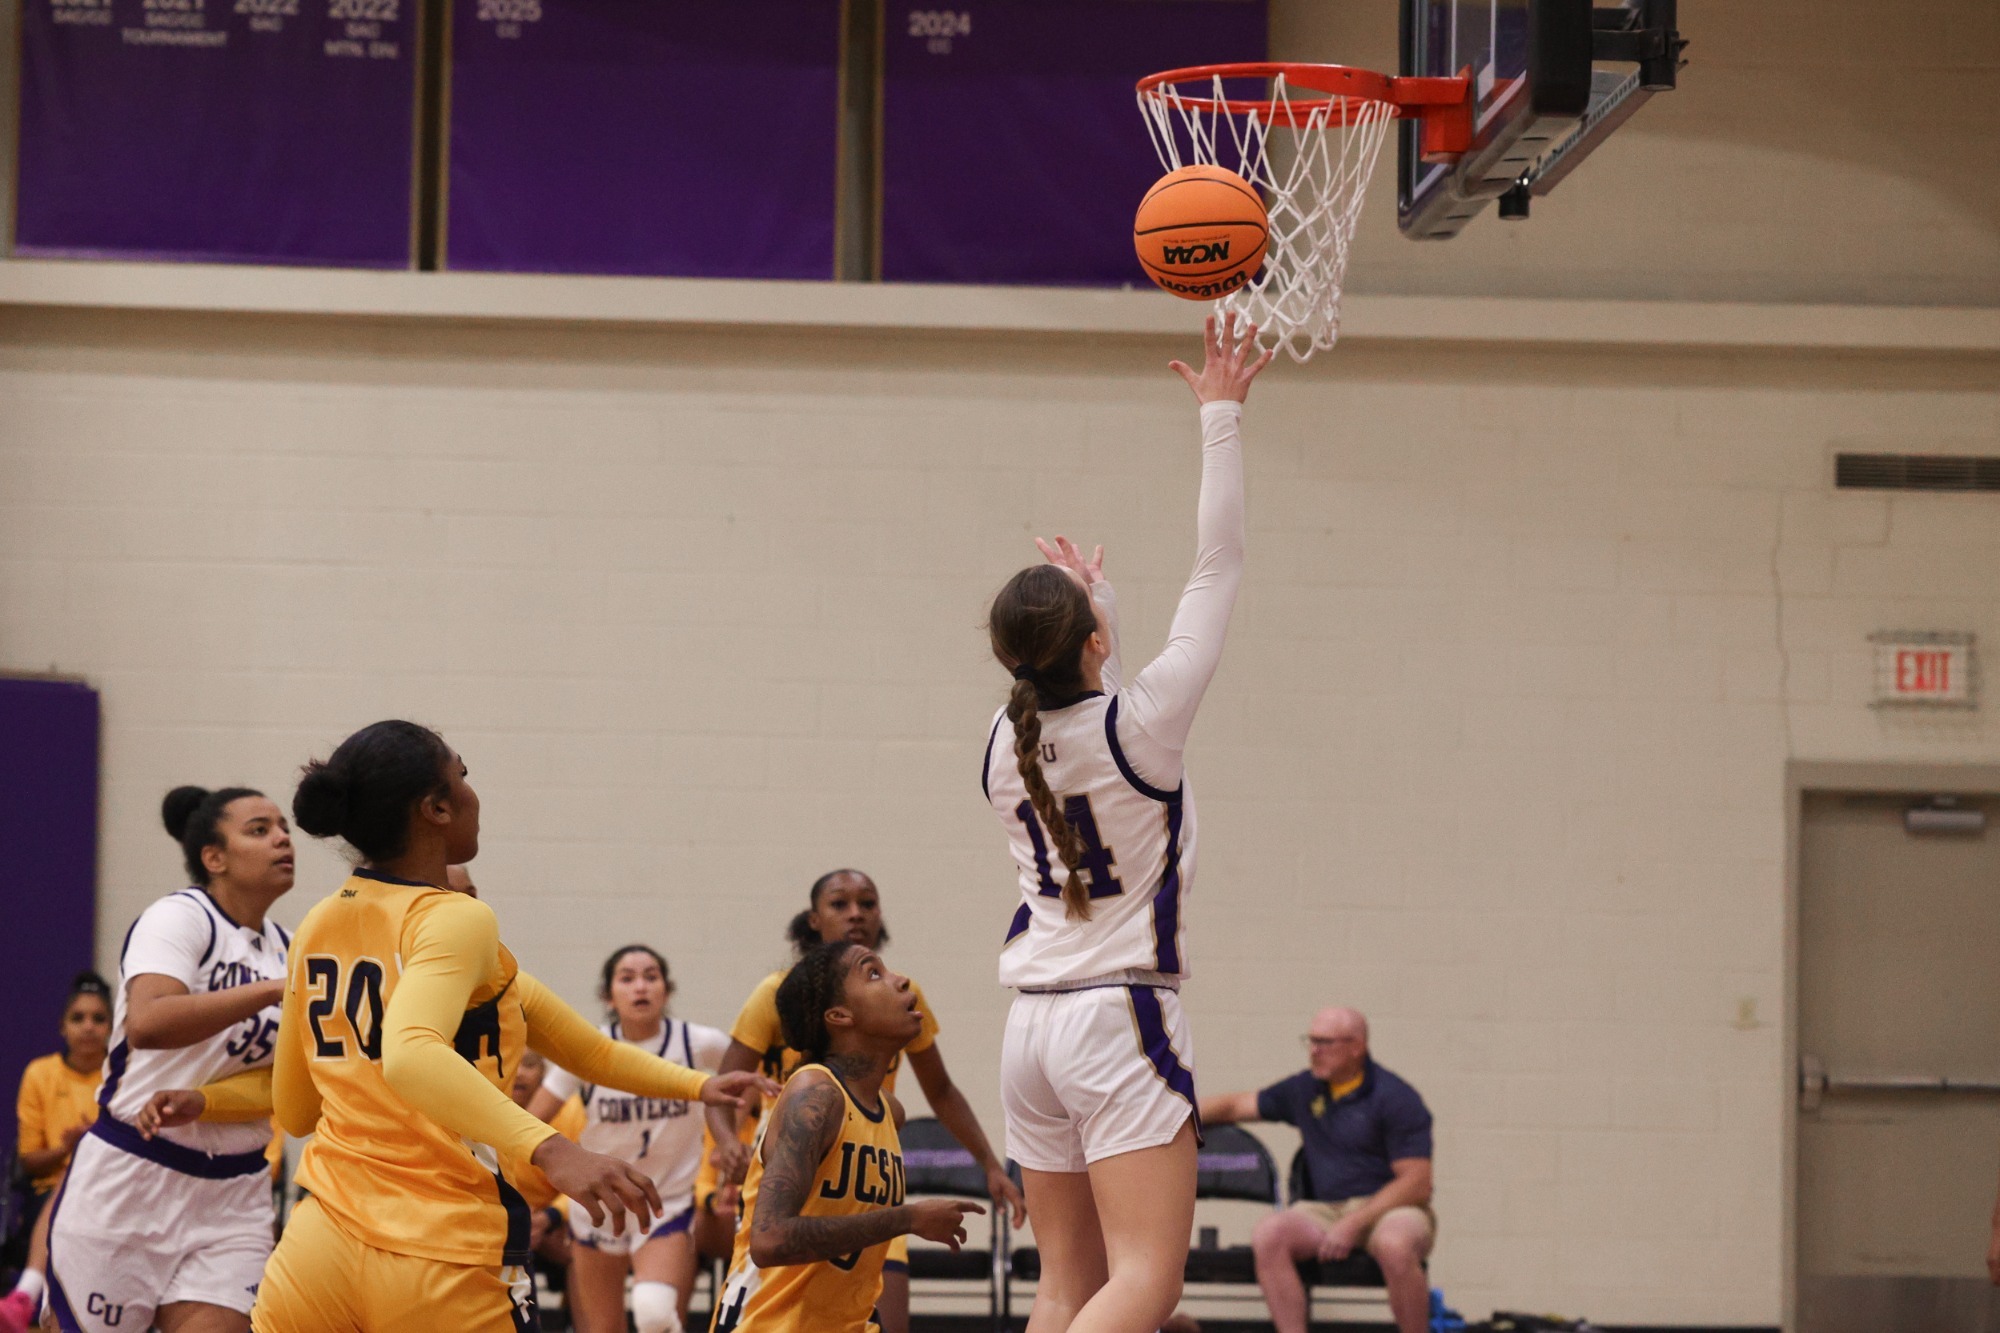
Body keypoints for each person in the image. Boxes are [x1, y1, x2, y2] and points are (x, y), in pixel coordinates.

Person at [246, 719, 775, 1332]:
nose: (474, 793)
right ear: (436, 808)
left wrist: (701, 1086)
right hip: (440, 1249)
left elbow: (297, 1110)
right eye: (463, 776)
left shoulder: (317, 923)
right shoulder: (456, 918)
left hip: (318, 1242)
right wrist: (555, 1150)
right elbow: (411, 1053)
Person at [981, 312, 1269, 1333]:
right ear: (1094, 642)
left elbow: (1088, 708)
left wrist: (1093, 606)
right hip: (1115, 1018)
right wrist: (1221, 414)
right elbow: (1218, 564)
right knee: (1148, 1280)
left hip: (1030, 1028)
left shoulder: (999, 741)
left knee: (1067, 1288)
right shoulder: (1141, 724)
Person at [710, 870, 1027, 1333]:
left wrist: (989, 1166)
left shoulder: (888, 1112)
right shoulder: (814, 1093)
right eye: (875, 974)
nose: (902, 982)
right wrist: (908, 1217)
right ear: (839, 1015)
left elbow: (942, 1090)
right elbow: (771, 1239)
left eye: (867, 903)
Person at [42, 786, 295, 1333]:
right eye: (260, 829)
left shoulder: (290, 948)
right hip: (133, 1174)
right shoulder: (180, 918)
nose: (282, 838)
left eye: (284, 828)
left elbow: (288, 1085)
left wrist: (205, 1101)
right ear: (214, 857)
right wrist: (273, 991)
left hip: (235, 1193)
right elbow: (149, 1023)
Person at [530, 945, 733, 1333]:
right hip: (600, 1203)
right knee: (603, 1328)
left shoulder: (698, 1043)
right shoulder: (584, 1048)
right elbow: (531, 1119)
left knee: (654, 1314)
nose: (641, 986)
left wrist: (728, 1137)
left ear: (666, 990)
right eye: (627, 978)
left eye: (651, 977)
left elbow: (745, 1076)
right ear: (608, 996)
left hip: (665, 1201)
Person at [1199, 1007, 1435, 1333]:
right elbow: (1235, 1106)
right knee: (1270, 1234)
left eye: (1324, 1043)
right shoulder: (1305, 1089)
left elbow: (1417, 1182)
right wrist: (1173, 1116)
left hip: (1389, 1209)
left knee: (1394, 1244)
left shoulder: (1395, 1097)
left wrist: (1355, 1222)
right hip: (1325, 1210)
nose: (1314, 1051)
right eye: (1310, 1041)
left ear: (1356, 1047)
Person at [1, 973, 111, 1331]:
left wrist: (93, 1145)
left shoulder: (123, 1075)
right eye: (78, 1018)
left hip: (113, 1188)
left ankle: (26, 1295)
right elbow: (29, 1161)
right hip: (49, 1190)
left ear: (112, 1028)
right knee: (70, 1181)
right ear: (63, 1027)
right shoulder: (40, 1073)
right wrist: (66, 1148)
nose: (88, 1027)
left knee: (80, 1176)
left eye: (98, 1018)